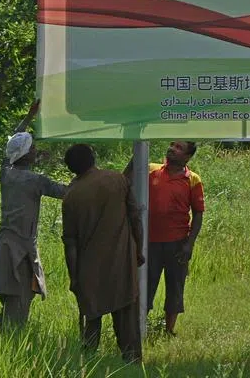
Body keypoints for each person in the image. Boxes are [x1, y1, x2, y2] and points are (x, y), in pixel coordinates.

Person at [62, 144, 144, 364]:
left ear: (71, 168)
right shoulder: (117, 180)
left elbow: (70, 242)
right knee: (127, 316)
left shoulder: (71, 195)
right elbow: (135, 217)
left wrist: (74, 276)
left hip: (89, 268)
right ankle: (132, 361)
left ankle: (87, 362)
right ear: (93, 158)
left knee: (92, 317)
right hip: (121, 261)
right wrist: (139, 249)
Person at [0, 132, 67, 330]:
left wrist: (28, 117)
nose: (36, 151)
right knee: (20, 300)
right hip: (21, 248)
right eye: (32, 148)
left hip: (4, 245)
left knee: (12, 298)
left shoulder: (5, 173)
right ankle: (8, 340)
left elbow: (9, 150)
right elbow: (66, 192)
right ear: (25, 154)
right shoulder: (35, 180)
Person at [145, 141, 204, 336]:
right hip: (149, 242)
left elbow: (198, 214)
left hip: (177, 244)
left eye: (178, 148)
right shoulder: (151, 171)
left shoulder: (193, 180)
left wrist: (189, 244)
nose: (172, 148)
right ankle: (139, 326)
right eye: (172, 145)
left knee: (175, 287)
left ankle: (168, 330)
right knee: (145, 285)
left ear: (187, 157)